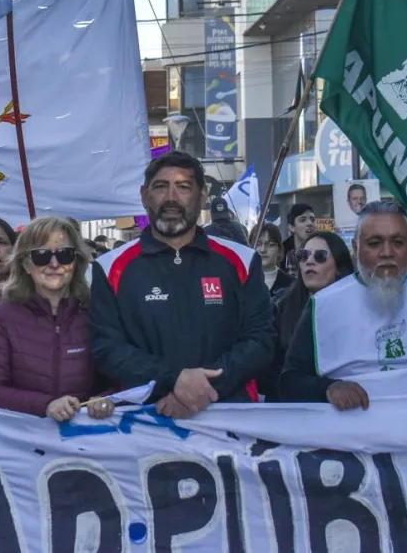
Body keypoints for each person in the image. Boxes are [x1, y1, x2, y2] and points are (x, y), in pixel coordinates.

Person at [90, 151, 275, 417]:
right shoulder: (110, 268)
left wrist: (202, 389)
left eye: (183, 187)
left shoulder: (242, 261)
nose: (171, 197)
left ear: (202, 196)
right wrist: (172, 381)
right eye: (160, 187)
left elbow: (261, 340)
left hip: (230, 416)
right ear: (144, 196)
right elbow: (107, 348)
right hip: (146, 419)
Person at [281, 202, 407, 407]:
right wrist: (328, 388)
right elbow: (289, 382)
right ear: (356, 248)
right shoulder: (323, 306)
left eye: (398, 242)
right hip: (351, 425)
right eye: (374, 243)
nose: (387, 252)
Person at [0, 217, 114, 421]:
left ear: (76, 262)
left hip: (84, 434)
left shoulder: (96, 313)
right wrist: (46, 405)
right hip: (24, 435)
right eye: (41, 255)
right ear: (25, 264)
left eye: (65, 254)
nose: (54, 264)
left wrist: (105, 399)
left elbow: (120, 378)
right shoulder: (3, 317)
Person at [258, 232, 354, 402]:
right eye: (303, 255)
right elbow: (269, 374)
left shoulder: (356, 306)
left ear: (339, 266)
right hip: (291, 409)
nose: (309, 261)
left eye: (320, 256)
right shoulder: (281, 306)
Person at [251, 223, 294, 296]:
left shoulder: (291, 285)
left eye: (270, 245)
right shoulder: (240, 281)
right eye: (258, 244)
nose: (262, 250)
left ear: (279, 250)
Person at [282, 204, 317, 276]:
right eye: (303, 220)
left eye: (312, 219)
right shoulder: (283, 252)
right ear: (292, 227)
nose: (309, 223)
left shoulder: (322, 249)